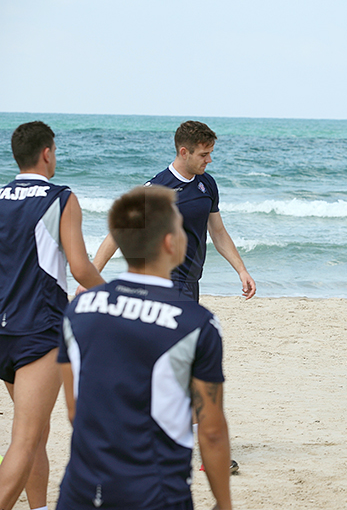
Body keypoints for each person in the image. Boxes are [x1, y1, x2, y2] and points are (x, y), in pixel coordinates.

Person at [57, 185, 232, 509]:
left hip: (81, 490)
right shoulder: (197, 323)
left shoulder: (77, 311)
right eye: (180, 228)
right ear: (170, 243)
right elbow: (211, 432)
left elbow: (74, 409)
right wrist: (224, 503)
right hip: (155, 494)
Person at [0, 121, 104, 510]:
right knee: (26, 439)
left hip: (5, 329)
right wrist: (111, 293)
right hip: (38, 331)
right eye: (55, 152)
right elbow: (79, 267)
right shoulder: (61, 197)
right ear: (47, 153)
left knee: (35, 432)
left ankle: (39, 508)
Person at [89, 120, 256, 302]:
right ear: (184, 152)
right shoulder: (156, 189)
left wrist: (241, 270)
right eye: (203, 155)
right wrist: (90, 276)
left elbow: (218, 232)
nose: (209, 160)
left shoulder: (207, 184)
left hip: (191, 282)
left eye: (210, 154)